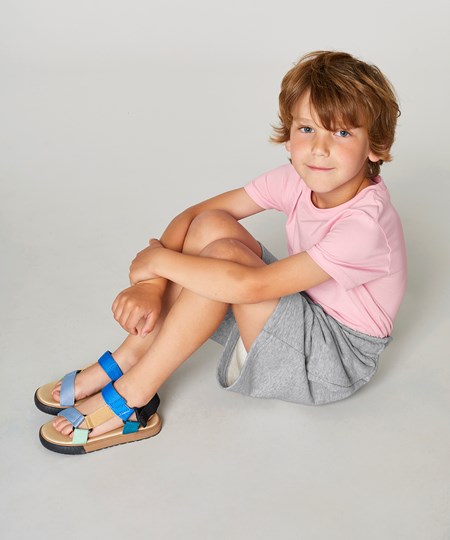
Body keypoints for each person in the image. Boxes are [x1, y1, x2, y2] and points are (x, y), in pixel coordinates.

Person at [35, 50, 407, 454]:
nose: (318, 149)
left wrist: (157, 260)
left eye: (342, 134)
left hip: (332, 360)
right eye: (306, 129)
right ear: (288, 136)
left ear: (376, 146)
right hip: (301, 307)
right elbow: (196, 215)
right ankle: (129, 357)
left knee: (227, 260)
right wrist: (151, 286)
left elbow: (251, 286)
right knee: (212, 226)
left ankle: (133, 396)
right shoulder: (300, 180)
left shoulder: (365, 227)